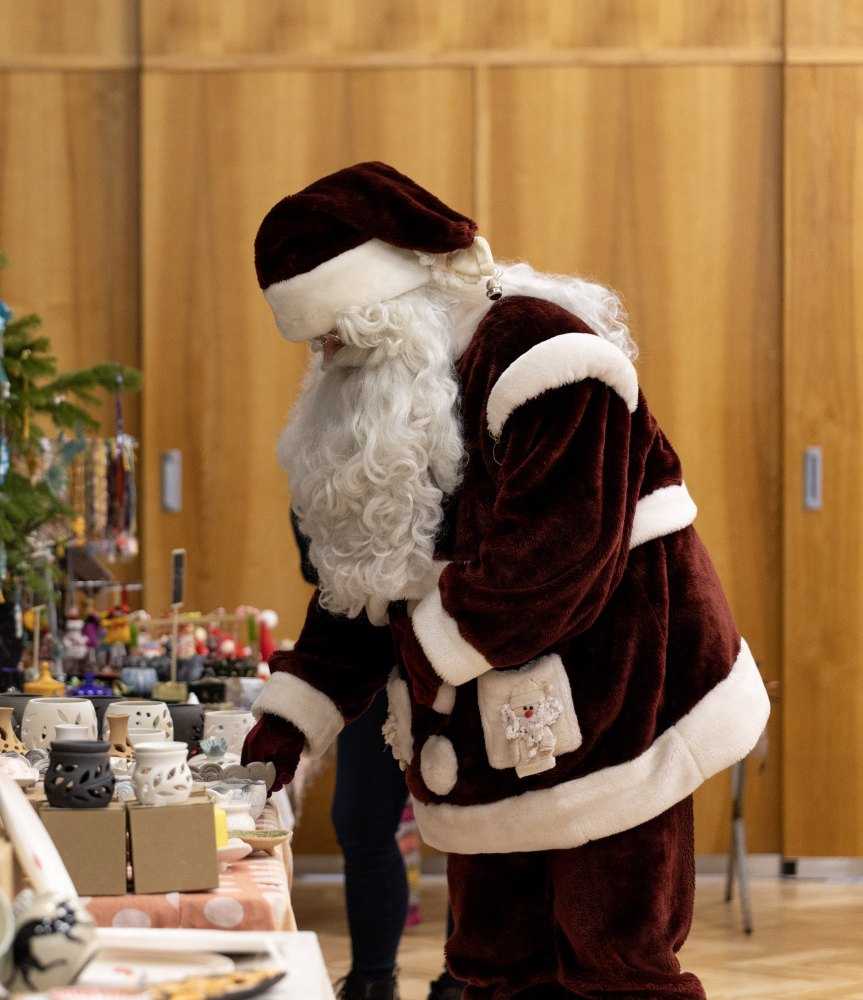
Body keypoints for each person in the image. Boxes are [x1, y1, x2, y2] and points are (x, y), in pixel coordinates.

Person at [243, 162, 769, 999]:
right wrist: (291, 727)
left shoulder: (544, 356)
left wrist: (416, 650)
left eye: (335, 331)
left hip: (615, 711)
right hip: (488, 744)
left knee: (614, 965)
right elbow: (363, 587)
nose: (324, 355)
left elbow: (551, 567)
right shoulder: (387, 395)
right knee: (494, 967)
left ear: (388, 303)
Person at [293, 515, 464, 1000]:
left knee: (472, 830)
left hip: (464, 655)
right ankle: (371, 981)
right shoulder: (337, 445)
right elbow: (314, 565)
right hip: (371, 651)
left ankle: (465, 981)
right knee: (360, 824)